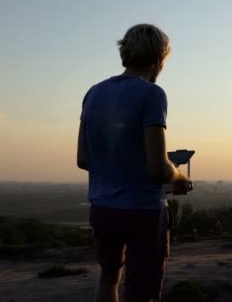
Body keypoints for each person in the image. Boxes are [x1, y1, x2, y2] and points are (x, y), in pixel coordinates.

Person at [77, 24, 191, 302]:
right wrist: (178, 178)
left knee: (109, 278)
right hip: (143, 211)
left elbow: (83, 159)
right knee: (142, 291)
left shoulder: (93, 93)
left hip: (103, 207)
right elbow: (158, 167)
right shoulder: (152, 94)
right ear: (159, 60)